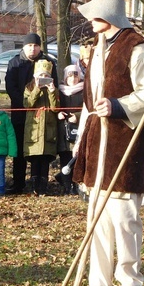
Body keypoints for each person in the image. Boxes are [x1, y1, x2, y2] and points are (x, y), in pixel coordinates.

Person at [73, 0, 144, 286]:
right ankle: (99, 279)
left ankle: (130, 279)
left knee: (124, 215)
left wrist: (118, 105)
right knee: (96, 213)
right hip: (99, 140)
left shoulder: (137, 50)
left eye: (95, 16)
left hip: (126, 139)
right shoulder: (98, 49)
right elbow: (92, 95)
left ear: (107, 17)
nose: (90, 22)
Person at [5, 33, 58, 194]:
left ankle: (39, 183)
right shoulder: (14, 62)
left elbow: (54, 85)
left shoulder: (49, 63)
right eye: (29, 46)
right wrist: (23, 103)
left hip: (43, 114)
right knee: (20, 149)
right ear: (24, 46)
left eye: (35, 46)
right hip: (21, 112)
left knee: (41, 150)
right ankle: (18, 182)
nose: (32, 49)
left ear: (39, 47)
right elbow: (10, 86)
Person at [23, 59, 59, 195]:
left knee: (45, 160)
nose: (43, 78)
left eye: (46, 76)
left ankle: (43, 187)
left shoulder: (53, 90)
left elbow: (56, 108)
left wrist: (52, 91)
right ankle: (33, 187)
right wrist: (37, 88)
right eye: (40, 76)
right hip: (34, 129)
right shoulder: (29, 88)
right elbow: (27, 104)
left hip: (48, 129)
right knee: (35, 159)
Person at [56, 65, 83, 194]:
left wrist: (77, 116)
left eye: (76, 76)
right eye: (70, 76)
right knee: (65, 157)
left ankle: (77, 185)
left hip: (79, 128)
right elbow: (54, 106)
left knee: (78, 157)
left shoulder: (85, 90)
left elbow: (89, 109)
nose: (73, 79)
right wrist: (58, 113)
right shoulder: (59, 91)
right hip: (63, 129)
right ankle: (67, 186)